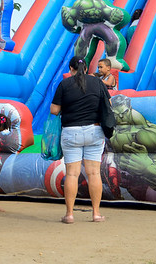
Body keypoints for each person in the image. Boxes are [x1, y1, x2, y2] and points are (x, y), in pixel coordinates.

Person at [50, 56, 109, 224]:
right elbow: (108, 103)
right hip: (94, 131)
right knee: (94, 173)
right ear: (87, 68)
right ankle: (96, 214)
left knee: (72, 174)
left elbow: (54, 110)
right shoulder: (97, 83)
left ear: (71, 68)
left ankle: (69, 215)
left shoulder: (65, 84)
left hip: (71, 132)